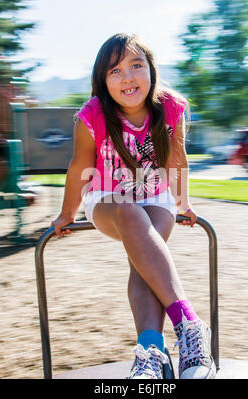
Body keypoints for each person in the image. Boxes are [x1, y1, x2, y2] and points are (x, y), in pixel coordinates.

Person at [51, 33, 216, 380]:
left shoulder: (170, 108)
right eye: (115, 71)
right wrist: (67, 214)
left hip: (155, 195)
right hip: (107, 198)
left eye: (136, 66)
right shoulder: (92, 115)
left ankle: (152, 355)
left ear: (151, 71)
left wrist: (184, 201)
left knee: (143, 266)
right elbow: (81, 166)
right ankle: (188, 324)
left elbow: (176, 159)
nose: (128, 77)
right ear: (103, 81)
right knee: (127, 210)